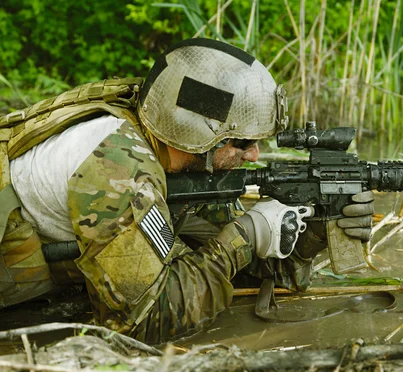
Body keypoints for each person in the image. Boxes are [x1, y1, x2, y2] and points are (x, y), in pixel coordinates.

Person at [0, 38, 374, 343]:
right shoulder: (119, 170)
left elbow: (234, 268)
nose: (254, 154)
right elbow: (141, 324)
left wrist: (313, 233)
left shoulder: (180, 159)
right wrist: (242, 236)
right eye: (241, 142)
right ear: (196, 133)